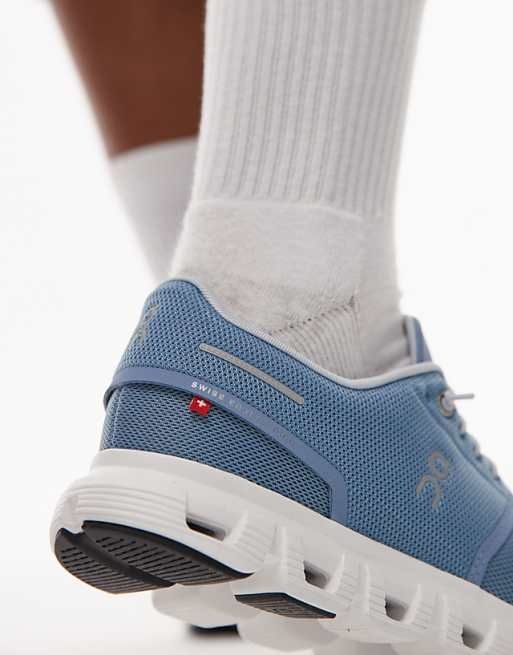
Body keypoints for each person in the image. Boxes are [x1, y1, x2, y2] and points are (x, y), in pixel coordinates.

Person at [50, 2, 513, 654]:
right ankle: (285, 318)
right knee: (273, 280)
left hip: (188, 389)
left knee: (245, 268)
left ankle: (226, 419)